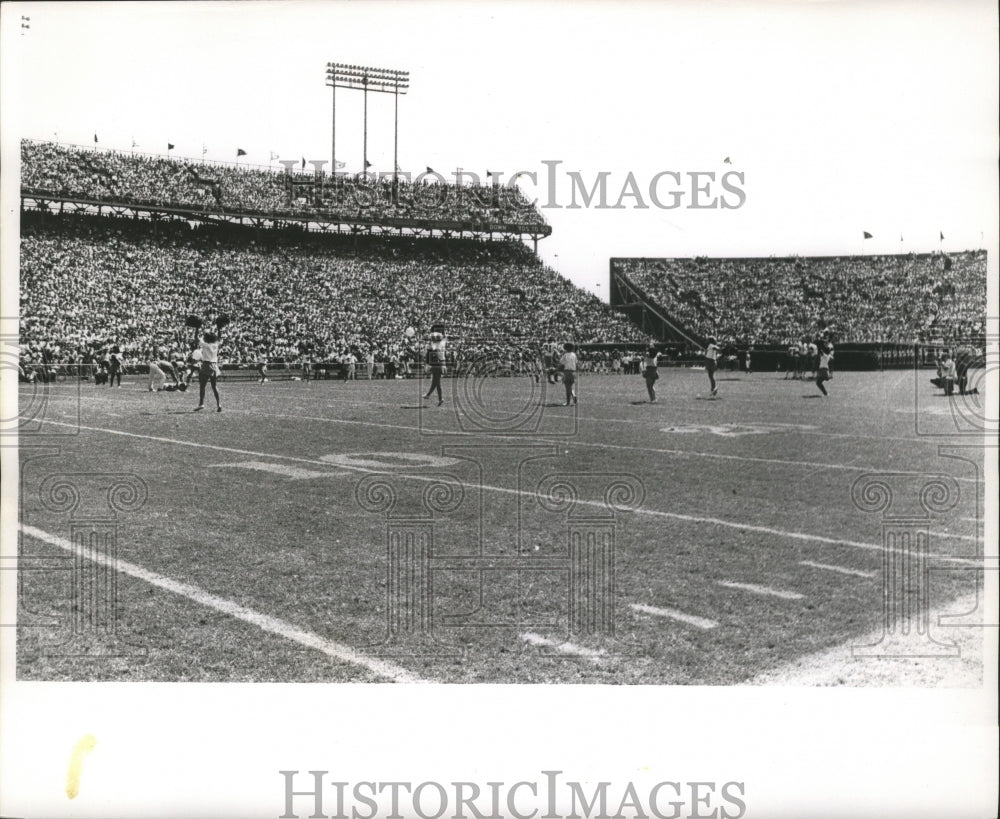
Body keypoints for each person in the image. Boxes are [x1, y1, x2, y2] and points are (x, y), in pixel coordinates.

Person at [194, 330, 223, 412]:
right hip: (214, 365)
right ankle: (218, 404)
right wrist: (219, 329)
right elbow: (219, 338)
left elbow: (196, 338)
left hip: (206, 365)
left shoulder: (205, 345)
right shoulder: (216, 345)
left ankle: (201, 404)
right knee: (214, 386)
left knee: (202, 386)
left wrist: (196, 328)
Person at [423, 331, 446, 405]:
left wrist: (428, 364)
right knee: (436, 382)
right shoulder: (440, 345)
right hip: (439, 365)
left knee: (436, 383)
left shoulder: (435, 347)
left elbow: (431, 355)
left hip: (436, 366)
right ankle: (432, 396)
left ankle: (434, 397)